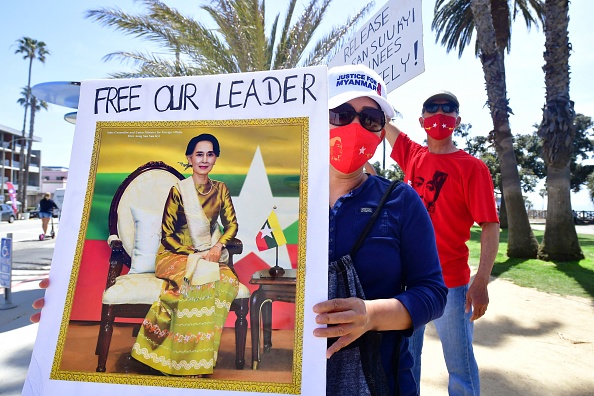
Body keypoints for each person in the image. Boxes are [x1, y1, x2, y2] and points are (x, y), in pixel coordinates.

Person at [313, 64, 448, 395]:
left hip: (379, 381)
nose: (355, 126)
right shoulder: (285, 197)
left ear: (380, 132)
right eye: (341, 113)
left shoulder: (401, 201)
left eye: (370, 118)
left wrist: (371, 315)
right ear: (317, 116)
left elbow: (432, 292)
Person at [384, 91, 500, 395]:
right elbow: (383, 124)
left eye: (448, 109)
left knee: (460, 368)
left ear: (458, 121)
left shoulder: (473, 168)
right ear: (422, 121)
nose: (440, 114)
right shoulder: (412, 155)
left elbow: (490, 225)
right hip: (410, 286)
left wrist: (482, 280)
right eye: (432, 110)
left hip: (453, 286)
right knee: (407, 362)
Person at [127, 133, 240, 376]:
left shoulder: (221, 190)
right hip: (173, 255)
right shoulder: (178, 191)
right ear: (189, 158)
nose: (204, 159)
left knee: (228, 280)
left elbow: (231, 225)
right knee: (199, 280)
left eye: (210, 154)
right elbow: (167, 236)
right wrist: (194, 254)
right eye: (199, 154)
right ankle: (173, 360)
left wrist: (217, 247)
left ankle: (198, 359)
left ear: (215, 158)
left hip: (209, 254)